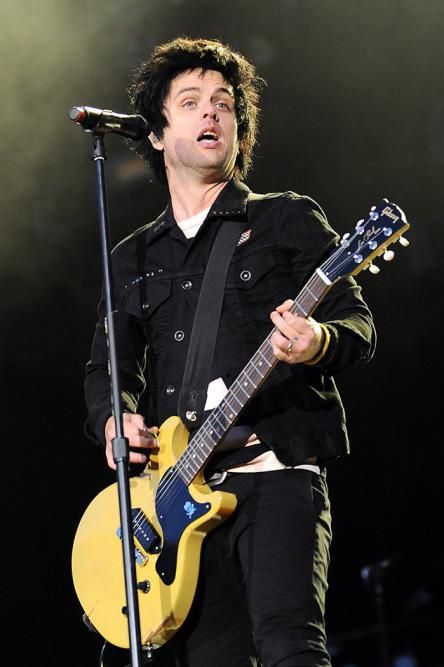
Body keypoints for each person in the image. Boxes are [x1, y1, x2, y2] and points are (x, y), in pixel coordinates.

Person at [84, 36, 376, 667]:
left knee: (289, 646)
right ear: (156, 134)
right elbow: (108, 367)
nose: (212, 112)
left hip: (275, 470)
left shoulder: (285, 218)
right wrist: (114, 418)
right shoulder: (132, 258)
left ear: (239, 128)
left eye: (223, 102)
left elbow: (355, 323)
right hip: (178, 497)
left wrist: (318, 341)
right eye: (190, 102)